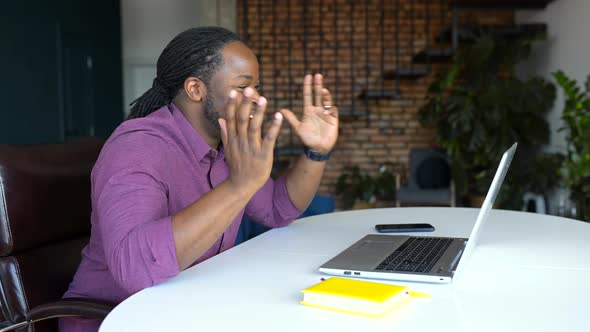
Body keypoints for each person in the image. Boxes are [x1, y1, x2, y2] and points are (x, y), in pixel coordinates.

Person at [60, 26, 338, 332]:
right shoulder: (137, 147)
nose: (257, 99)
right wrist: (239, 186)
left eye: (257, 87)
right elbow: (136, 268)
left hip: (189, 310)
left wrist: (316, 151)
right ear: (195, 89)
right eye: (244, 86)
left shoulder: (227, 147)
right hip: (116, 319)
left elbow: (276, 208)